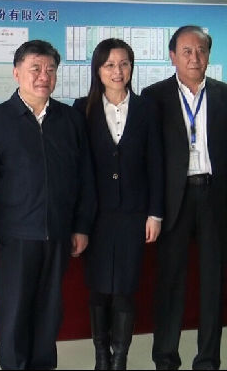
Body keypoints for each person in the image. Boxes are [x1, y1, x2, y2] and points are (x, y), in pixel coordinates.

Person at [0, 39, 95, 370]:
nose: (44, 76)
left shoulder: (71, 120)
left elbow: (85, 178)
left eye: (50, 69)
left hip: (58, 233)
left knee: (50, 310)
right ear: (16, 73)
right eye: (35, 69)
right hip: (15, 237)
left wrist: (81, 226)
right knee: (15, 311)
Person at [142, 25, 227, 370]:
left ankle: (208, 359)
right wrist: (152, 207)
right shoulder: (153, 96)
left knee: (213, 282)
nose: (194, 57)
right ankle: (165, 358)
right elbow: (149, 156)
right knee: (170, 282)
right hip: (174, 199)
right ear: (172, 56)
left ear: (209, 55)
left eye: (201, 50)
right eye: (186, 51)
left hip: (214, 196)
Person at [73, 39, 164, 370]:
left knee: (125, 287)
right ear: (98, 70)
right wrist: (78, 221)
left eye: (124, 64)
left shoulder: (147, 108)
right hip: (95, 214)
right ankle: (101, 356)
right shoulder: (81, 108)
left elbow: (156, 163)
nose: (117, 71)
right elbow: (77, 167)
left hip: (133, 213)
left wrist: (155, 213)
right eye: (109, 64)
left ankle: (120, 358)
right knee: (98, 287)